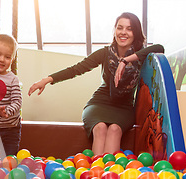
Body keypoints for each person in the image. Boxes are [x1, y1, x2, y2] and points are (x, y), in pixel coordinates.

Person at [28, 12, 164, 156]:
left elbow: (159, 48)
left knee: (114, 130)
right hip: (99, 104)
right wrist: (47, 79)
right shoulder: (105, 53)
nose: (123, 32)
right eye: (120, 28)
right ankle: (96, 175)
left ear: (135, 32)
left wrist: (125, 60)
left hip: (123, 108)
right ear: (115, 30)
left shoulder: (141, 55)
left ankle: (110, 175)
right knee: (100, 128)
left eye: (129, 29)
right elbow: (77, 69)